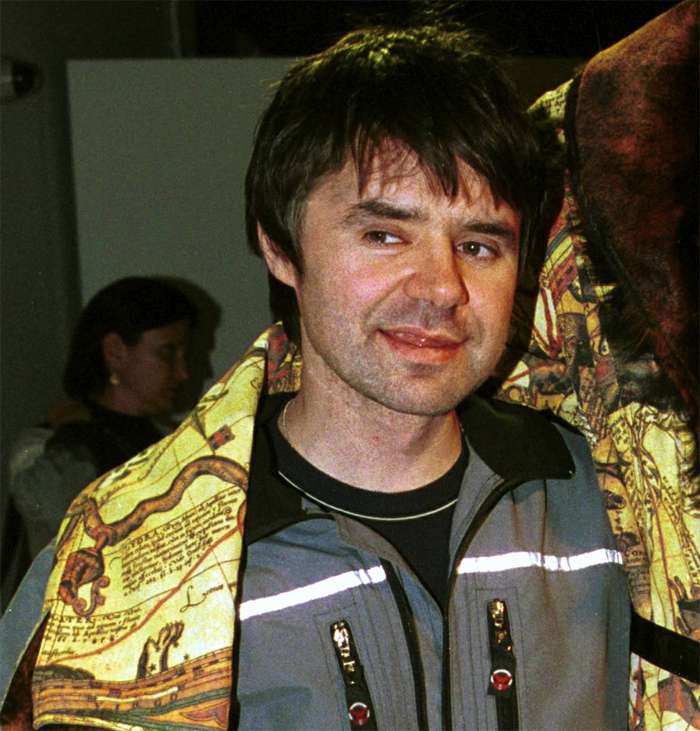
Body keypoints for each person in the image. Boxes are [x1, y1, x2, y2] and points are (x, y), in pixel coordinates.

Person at [1, 25, 629, 730]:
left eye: (479, 245)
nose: (442, 287)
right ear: (279, 245)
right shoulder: (125, 561)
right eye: (384, 235)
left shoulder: (608, 500)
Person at [7, 276, 195, 560]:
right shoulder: (41, 445)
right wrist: (75, 434)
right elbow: (59, 516)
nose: (183, 373)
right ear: (115, 351)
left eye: (184, 354)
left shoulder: (175, 439)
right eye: (167, 352)